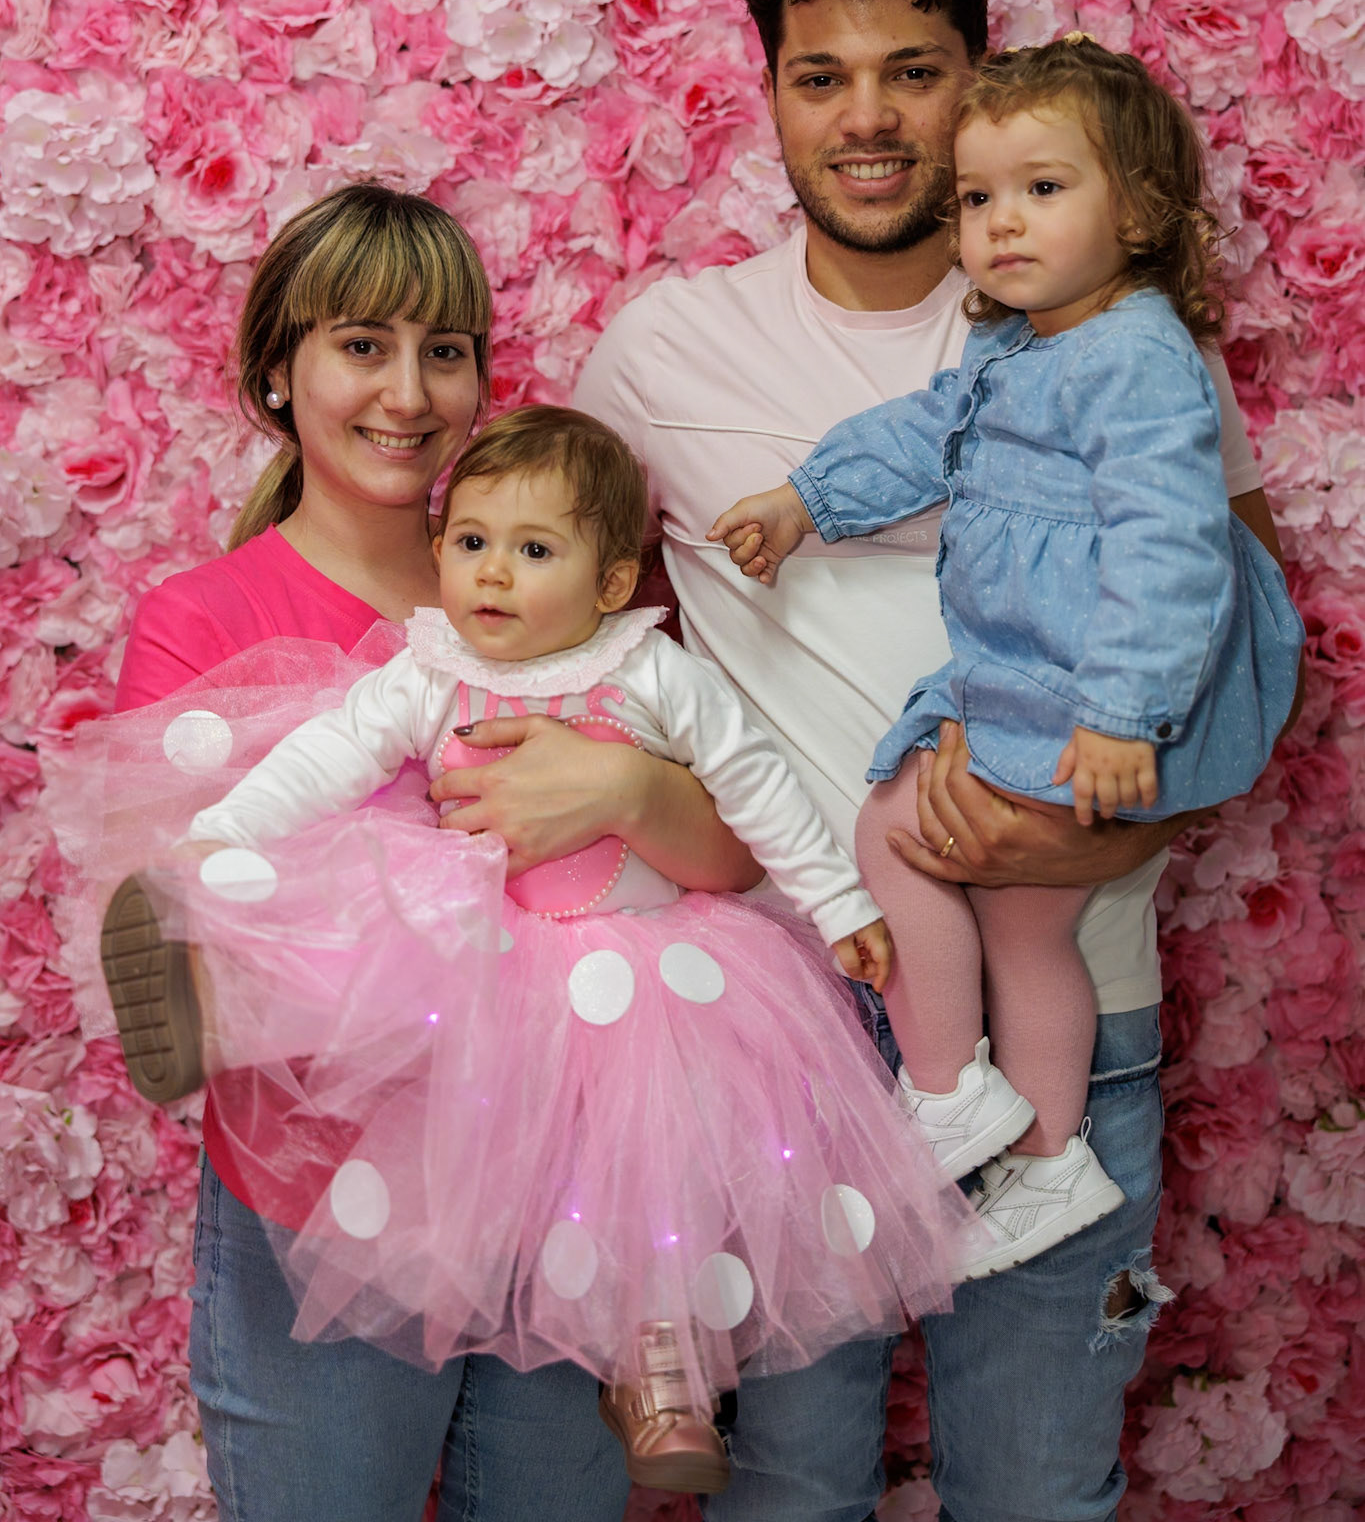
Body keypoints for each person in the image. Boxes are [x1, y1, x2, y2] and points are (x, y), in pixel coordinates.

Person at [573, 0, 1299, 1522]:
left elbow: (1245, 624)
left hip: (1071, 1014)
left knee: (1038, 1490)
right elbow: (570, 639)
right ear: (770, 95)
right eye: (821, 76)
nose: (869, 117)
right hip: (788, 1033)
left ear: (980, 78)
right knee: (784, 1490)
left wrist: (1117, 830)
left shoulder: (1121, 340)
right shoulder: (664, 349)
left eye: (914, 70)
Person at [68, 407, 972, 1496]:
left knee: (649, 1160)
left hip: (646, 973)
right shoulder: (430, 671)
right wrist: (220, 839)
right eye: (471, 541)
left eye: (534, 550)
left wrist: (837, 905)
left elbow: (756, 788)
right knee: (476, 1120)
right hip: (499, 980)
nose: (493, 572)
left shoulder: (649, 670)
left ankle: (660, 1372)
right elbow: (326, 757)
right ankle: (213, 953)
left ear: (609, 583)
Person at [91, 182, 761, 1522]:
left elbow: (732, 860)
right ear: (277, 372)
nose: (408, 392)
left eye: (443, 351)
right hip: (320, 1196)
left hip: (567, 1184)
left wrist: (628, 787)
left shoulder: (561, 585)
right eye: (362, 345)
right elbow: (200, 923)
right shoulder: (205, 620)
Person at [710, 36, 1303, 1277]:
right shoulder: (1019, 346)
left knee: (898, 829)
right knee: (1026, 931)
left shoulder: (1138, 356)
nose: (1002, 223)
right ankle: (1042, 1156)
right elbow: (924, 432)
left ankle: (953, 1094)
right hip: (1038, 678)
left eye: (1042, 188)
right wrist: (804, 499)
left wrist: (1124, 714)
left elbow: (1172, 548)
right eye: (979, 197)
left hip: (1099, 693)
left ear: (1137, 211)